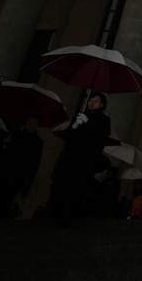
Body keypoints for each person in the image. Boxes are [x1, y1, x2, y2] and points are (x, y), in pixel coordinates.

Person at [49, 92, 111, 227]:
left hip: (84, 162)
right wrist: (75, 125)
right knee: (61, 188)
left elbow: (100, 136)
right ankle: (57, 215)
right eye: (91, 100)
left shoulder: (104, 120)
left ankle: (67, 217)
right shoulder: (80, 116)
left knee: (75, 190)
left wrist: (88, 123)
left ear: (101, 105)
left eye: (96, 101)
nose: (92, 103)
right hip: (69, 159)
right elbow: (66, 136)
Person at [0, 115, 44, 219]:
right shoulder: (16, 136)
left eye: (33, 122)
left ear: (37, 125)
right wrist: (5, 144)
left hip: (18, 174)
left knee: (8, 199)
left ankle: (0, 218)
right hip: (5, 170)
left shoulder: (37, 142)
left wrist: (29, 178)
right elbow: (2, 153)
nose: (30, 124)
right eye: (29, 121)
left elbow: (35, 161)